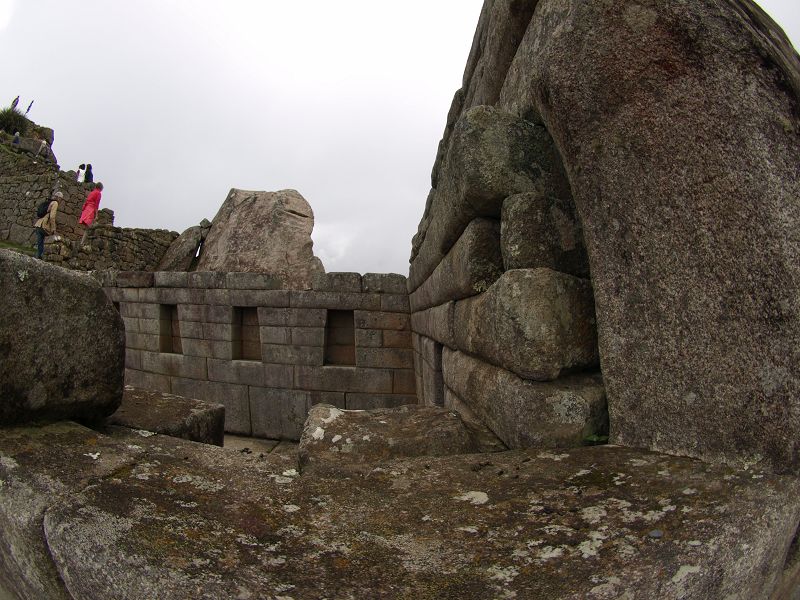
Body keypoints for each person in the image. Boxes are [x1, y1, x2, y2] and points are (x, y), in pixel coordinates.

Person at [33, 191, 62, 259]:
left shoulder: (49, 202)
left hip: (38, 224)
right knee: (53, 239)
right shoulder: (55, 203)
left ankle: (39, 256)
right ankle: (49, 257)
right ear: (59, 198)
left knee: (40, 242)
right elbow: (52, 217)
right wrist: (53, 229)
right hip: (44, 225)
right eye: (61, 199)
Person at [78, 182, 103, 246]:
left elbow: (86, 201)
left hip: (86, 209)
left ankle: (82, 242)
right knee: (89, 227)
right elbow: (96, 205)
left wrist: (83, 209)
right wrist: (96, 215)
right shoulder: (98, 193)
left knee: (88, 227)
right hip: (91, 210)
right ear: (101, 188)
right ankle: (83, 243)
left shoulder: (92, 192)